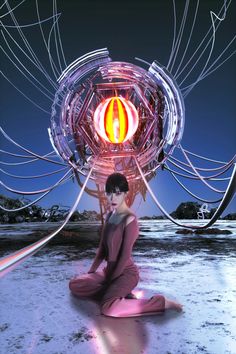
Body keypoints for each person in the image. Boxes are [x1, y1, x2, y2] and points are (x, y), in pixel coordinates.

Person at [69, 172, 183, 317]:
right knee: (76, 284)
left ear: (125, 194)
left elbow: (123, 257)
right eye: (109, 193)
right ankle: (117, 293)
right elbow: (102, 249)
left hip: (126, 273)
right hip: (108, 271)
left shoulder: (130, 220)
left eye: (117, 193)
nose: (112, 198)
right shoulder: (110, 216)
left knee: (109, 309)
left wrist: (110, 280)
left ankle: (161, 303)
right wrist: (91, 273)